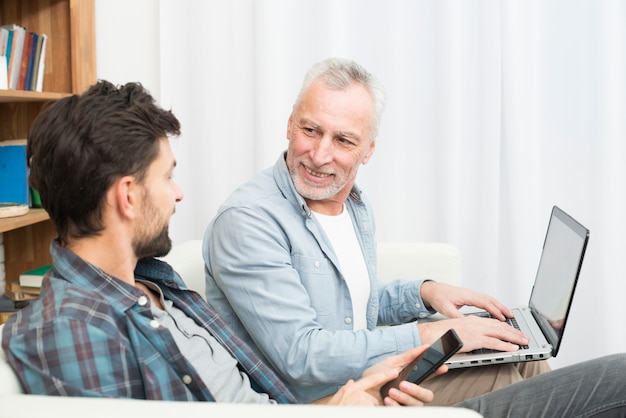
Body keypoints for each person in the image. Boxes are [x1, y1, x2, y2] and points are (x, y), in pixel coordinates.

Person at [202, 57, 626, 415]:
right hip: (327, 402)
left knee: (520, 353)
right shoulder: (248, 222)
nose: (320, 154)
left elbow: (352, 307)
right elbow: (303, 357)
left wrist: (426, 293)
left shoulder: (351, 205)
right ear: (290, 123)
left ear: (368, 150)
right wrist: (434, 336)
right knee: (500, 369)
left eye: (343, 139)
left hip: (370, 377)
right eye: (310, 130)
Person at [0, 80, 438, 407]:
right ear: (127, 196)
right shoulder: (74, 331)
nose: (178, 193)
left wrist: (343, 404)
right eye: (168, 175)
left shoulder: (155, 282)